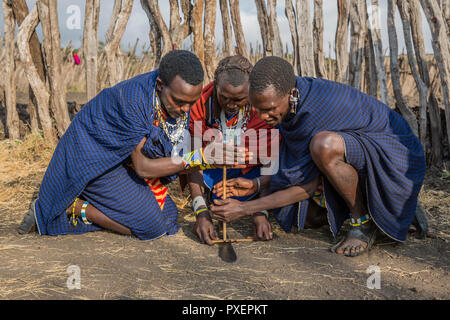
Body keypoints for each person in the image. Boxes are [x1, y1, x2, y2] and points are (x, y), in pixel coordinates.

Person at [18, 50, 247, 240]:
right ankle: (76, 206)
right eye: (179, 102)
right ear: (159, 85)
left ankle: (95, 205)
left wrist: (201, 212)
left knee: (168, 217)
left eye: (191, 102)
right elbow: (144, 168)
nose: (185, 110)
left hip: (121, 160)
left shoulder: (177, 103)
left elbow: (188, 156)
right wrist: (201, 157)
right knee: (152, 227)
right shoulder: (135, 102)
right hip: (93, 161)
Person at [210, 56, 426, 257]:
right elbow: (295, 171)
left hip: (397, 158)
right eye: (257, 109)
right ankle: (383, 207)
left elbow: (308, 185)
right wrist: (256, 184)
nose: (262, 116)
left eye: (269, 109)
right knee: (304, 217)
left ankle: (364, 222)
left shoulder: (315, 109)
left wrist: (244, 208)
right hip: (364, 152)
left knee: (324, 146)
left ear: (290, 94)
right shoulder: (291, 104)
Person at [187, 56, 277, 245]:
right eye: (224, 97)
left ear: (251, 92)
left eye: (239, 99)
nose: (230, 105)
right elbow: (193, 162)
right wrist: (201, 212)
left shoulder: (262, 108)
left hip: (253, 176)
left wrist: (260, 211)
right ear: (215, 86)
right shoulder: (201, 105)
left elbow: (272, 162)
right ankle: (213, 201)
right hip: (213, 172)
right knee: (216, 191)